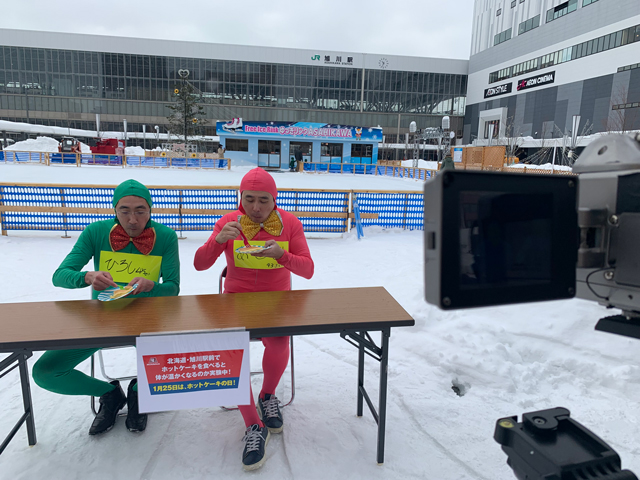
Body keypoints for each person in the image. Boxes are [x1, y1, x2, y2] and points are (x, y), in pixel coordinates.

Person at [32, 179, 180, 436]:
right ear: (114, 209)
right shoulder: (96, 232)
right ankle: (110, 394)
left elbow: (173, 287)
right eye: (124, 210)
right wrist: (86, 277)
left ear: (151, 210)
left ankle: (138, 391)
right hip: (101, 319)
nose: (132, 219)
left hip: (149, 320)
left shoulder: (165, 236)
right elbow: (60, 275)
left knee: (182, 363)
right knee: (46, 372)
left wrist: (151, 286)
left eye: (140, 210)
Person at [194, 168, 314, 471]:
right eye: (249, 199)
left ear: (275, 200)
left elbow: (308, 269)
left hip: (277, 301)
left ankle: (268, 394)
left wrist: (282, 256)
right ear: (240, 198)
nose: (256, 208)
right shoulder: (228, 222)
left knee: (278, 343)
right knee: (230, 352)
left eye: (264, 200)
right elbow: (199, 264)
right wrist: (218, 240)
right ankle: (253, 425)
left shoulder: (289, 223)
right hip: (235, 299)